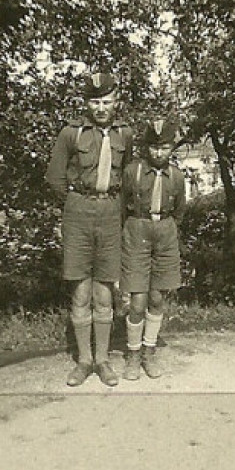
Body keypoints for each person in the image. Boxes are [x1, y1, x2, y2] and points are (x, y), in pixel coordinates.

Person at [46, 71, 134, 387]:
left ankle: (103, 360)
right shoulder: (71, 134)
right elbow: (55, 177)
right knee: (80, 289)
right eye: (94, 101)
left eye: (106, 101)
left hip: (111, 212)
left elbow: (131, 178)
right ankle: (84, 361)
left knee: (104, 291)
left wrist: (119, 211)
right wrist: (74, 203)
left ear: (116, 102)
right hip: (78, 212)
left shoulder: (126, 135)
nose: (100, 107)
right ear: (86, 102)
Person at [120, 117, 186, 380]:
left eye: (165, 147)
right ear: (146, 147)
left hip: (165, 232)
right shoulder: (133, 172)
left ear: (172, 148)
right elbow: (121, 205)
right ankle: (133, 355)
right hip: (137, 229)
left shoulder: (177, 177)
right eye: (154, 147)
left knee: (157, 297)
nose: (159, 152)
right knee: (137, 300)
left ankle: (149, 352)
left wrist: (165, 230)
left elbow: (180, 210)